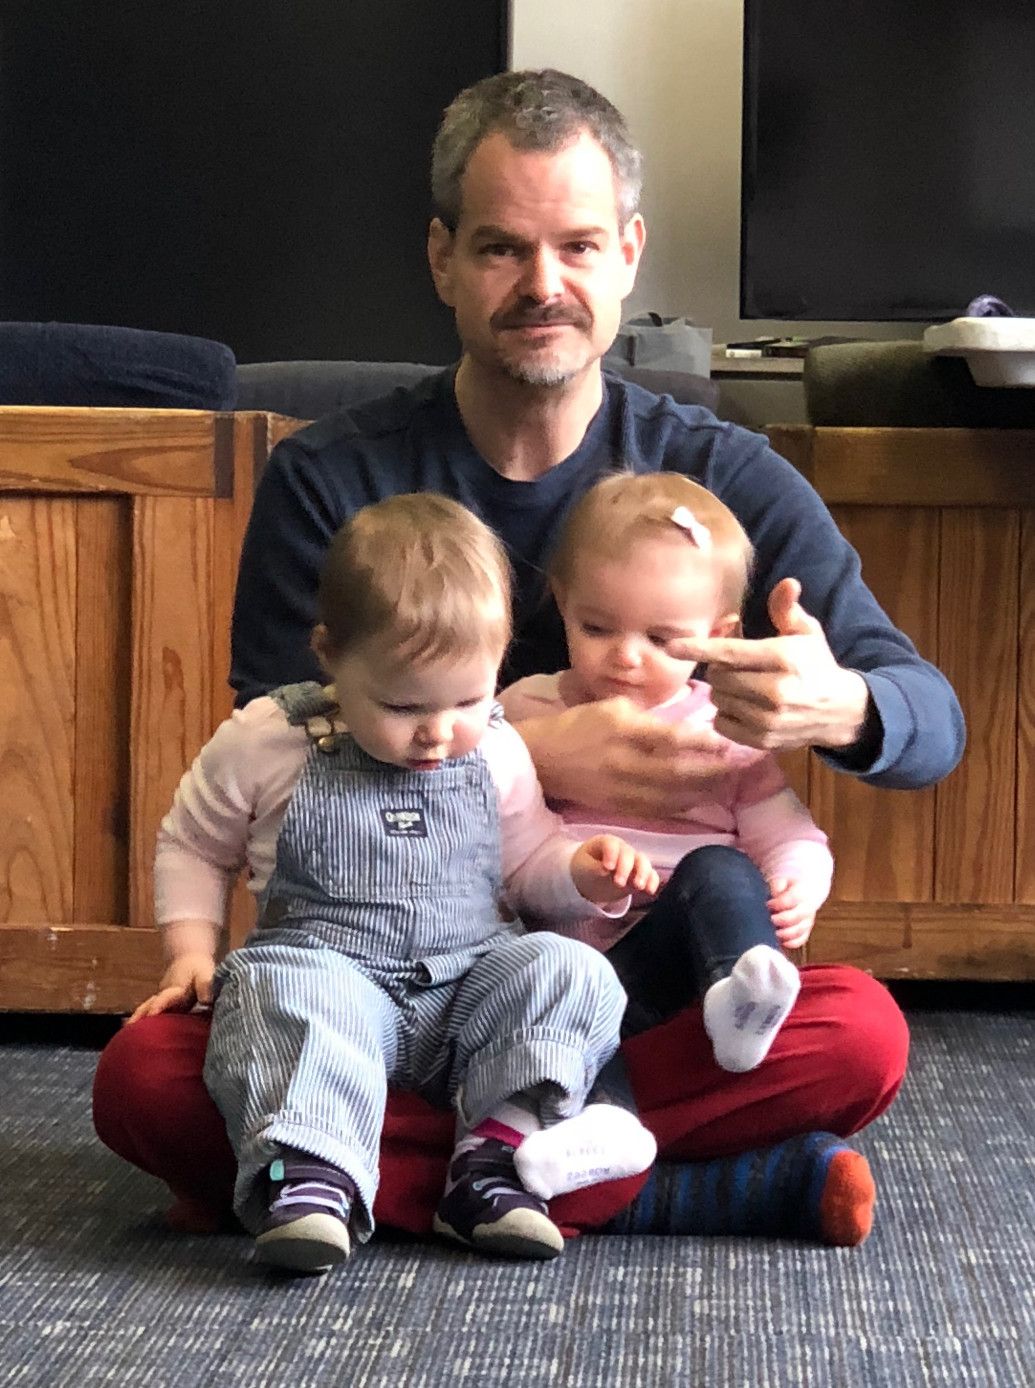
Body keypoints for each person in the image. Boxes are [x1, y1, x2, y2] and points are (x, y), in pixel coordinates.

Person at [94, 68, 939, 1247]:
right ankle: (678, 1183)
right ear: (442, 257)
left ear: (629, 251)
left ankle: (328, 1165)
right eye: (502, 248)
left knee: (859, 1034)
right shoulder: (331, 480)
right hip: (377, 988)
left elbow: (926, 718)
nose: (545, 285)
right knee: (142, 1076)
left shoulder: (722, 480)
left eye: (578, 245)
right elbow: (285, 751)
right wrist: (533, 747)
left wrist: (836, 701)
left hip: (631, 985)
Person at [132, 494, 659, 1274]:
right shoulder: (269, 739)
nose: (437, 732)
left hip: (469, 991)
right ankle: (309, 1177)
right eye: (402, 705)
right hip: (332, 979)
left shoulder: (496, 751)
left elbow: (525, 865)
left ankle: (493, 1163)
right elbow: (193, 845)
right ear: (329, 656)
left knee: (573, 971)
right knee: (277, 989)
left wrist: (580, 874)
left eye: (468, 700)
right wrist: (188, 951)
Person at [501, 471, 833, 1075]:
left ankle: (743, 1000)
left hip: (684, 962)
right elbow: (474, 818)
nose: (626, 656)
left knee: (722, 869)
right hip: (563, 971)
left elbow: (786, 829)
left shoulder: (723, 726)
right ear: (562, 601)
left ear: (717, 637)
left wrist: (796, 883)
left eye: (662, 639)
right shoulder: (527, 708)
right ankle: (590, 1093)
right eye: (596, 627)